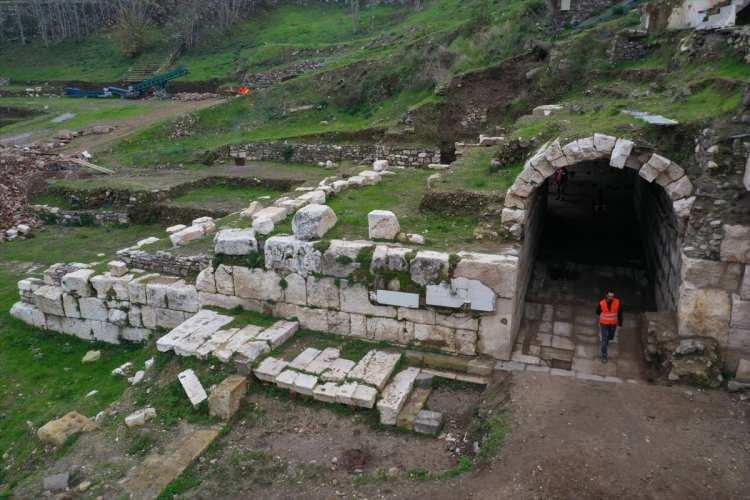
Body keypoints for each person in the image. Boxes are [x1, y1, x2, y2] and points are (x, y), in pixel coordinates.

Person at [596, 290, 623, 363]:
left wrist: (620, 324)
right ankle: (604, 355)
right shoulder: (601, 303)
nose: (611, 298)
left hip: (613, 324)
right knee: (604, 339)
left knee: (610, 337)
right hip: (604, 323)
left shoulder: (617, 302)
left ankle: (606, 342)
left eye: (612, 296)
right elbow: (597, 312)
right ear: (606, 296)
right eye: (609, 296)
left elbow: (620, 313)